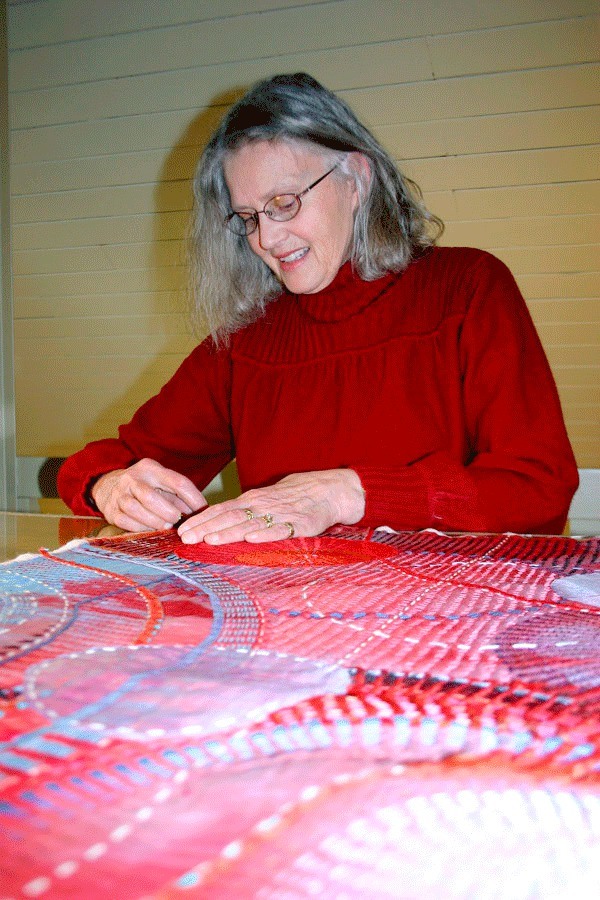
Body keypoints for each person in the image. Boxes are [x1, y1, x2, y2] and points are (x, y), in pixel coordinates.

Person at [58, 73, 579, 544]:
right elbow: (111, 462)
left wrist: (347, 494)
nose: (266, 238)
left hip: (445, 627)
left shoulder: (468, 288)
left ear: (356, 178)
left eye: (284, 204)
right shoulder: (247, 341)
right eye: (247, 217)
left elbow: (538, 488)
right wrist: (111, 485)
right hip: (291, 627)